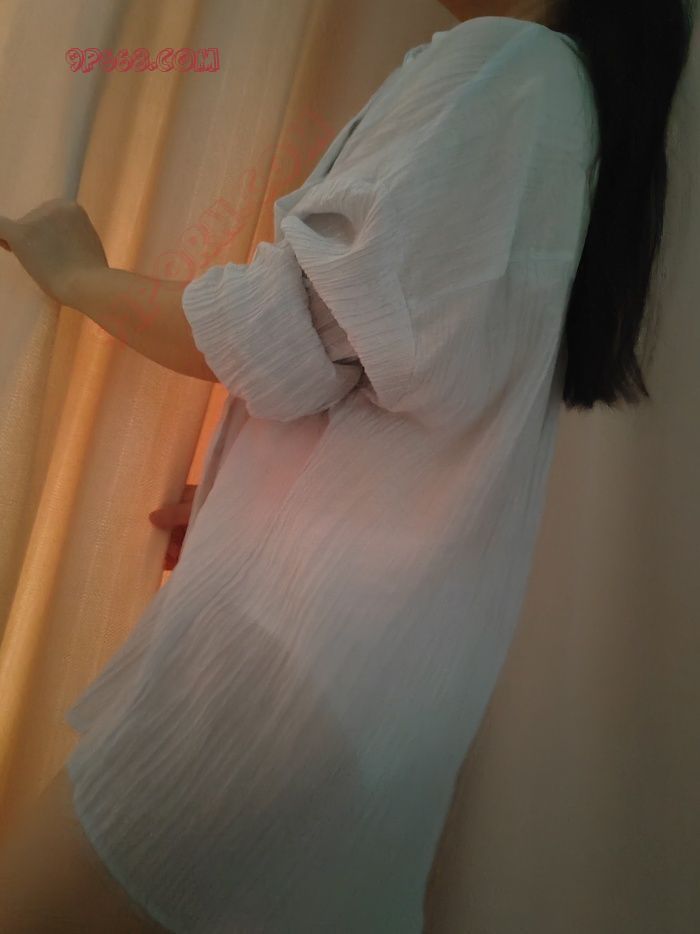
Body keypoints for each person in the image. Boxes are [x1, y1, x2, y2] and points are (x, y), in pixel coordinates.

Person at [0, 2, 693, 931]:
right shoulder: (561, 106)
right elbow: (415, 381)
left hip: (269, 703)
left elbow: (289, 330)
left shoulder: (511, 69)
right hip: (349, 718)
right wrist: (259, 497)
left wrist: (78, 277)